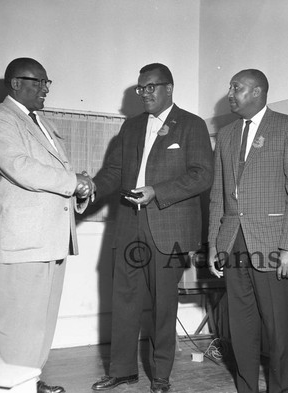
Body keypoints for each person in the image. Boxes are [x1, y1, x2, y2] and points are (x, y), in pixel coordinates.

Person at [91, 63, 213, 393]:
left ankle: (160, 376)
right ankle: (123, 370)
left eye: (150, 87)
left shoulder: (191, 125)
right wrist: (91, 187)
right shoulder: (130, 127)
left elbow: (203, 175)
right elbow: (113, 173)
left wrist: (158, 191)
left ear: (169, 88)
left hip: (168, 225)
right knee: (124, 300)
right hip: (129, 223)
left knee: (162, 304)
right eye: (140, 89)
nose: (144, 94)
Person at [0, 57, 94, 393]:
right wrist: (75, 181)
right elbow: (22, 168)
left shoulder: (39, 121)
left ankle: (29, 380)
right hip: (21, 242)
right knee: (16, 326)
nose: (45, 89)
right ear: (16, 83)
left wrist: (81, 186)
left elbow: (56, 172)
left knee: (40, 326)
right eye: (38, 82)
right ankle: (11, 385)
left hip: (52, 239)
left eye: (47, 83)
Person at [207, 69, 288, 393]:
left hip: (273, 246)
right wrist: (214, 244)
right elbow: (217, 196)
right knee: (241, 330)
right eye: (230, 87)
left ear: (257, 92)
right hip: (233, 242)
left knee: (278, 332)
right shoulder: (225, 135)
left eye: (236, 87)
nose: (230, 93)